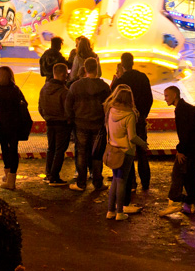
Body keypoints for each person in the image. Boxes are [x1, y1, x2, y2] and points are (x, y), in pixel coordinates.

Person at [110, 52, 154, 195]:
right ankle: (145, 182)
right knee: (142, 151)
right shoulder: (142, 77)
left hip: (124, 122)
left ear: (122, 64)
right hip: (139, 119)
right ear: (133, 62)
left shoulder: (121, 81)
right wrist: (142, 115)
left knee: (128, 153)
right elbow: (149, 98)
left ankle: (132, 183)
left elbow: (112, 99)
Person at [159, 86, 195, 217]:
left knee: (177, 172)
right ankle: (189, 205)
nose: (165, 99)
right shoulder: (186, 108)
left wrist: (180, 151)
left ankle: (174, 203)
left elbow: (185, 133)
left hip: (189, 148)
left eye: (167, 95)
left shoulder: (181, 110)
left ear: (175, 95)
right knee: (189, 174)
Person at [104, 84, 148, 220]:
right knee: (122, 182)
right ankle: (119, 212)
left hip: (113, 149)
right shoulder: (129, 114)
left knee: (115, 182)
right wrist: (143, 144)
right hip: (125, 151)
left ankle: (110, 210)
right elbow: (132, 136)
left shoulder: (110, 110)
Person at [65, 57, 109, 192]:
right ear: (97, 69)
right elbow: (109, 106)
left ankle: (81, 183)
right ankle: (97, 182)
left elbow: (68, 106)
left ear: (84, 69)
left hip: (80, 124)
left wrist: (72, 119)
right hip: (98, 125)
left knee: (82, 153)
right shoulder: (104, 87)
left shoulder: (76, 86)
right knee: (97, 154)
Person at [0, 66, 29, 190]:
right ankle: (12, 179)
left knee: (5, 150)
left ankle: (7, 178)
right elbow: (25, 103)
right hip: (15, 124)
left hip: (2, 124)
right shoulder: (15, 89)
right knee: (14, 150)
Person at [39, 62, 71, 185]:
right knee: (59, 150)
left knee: (51, 149)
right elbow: (68, 110)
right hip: (61, 124)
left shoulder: (44, 88)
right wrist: (68, 120)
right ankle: (54, 176)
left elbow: (40, 107)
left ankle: (48, 174)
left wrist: (46, 117)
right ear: (63, 75)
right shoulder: (64, 91)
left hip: (49, 122)